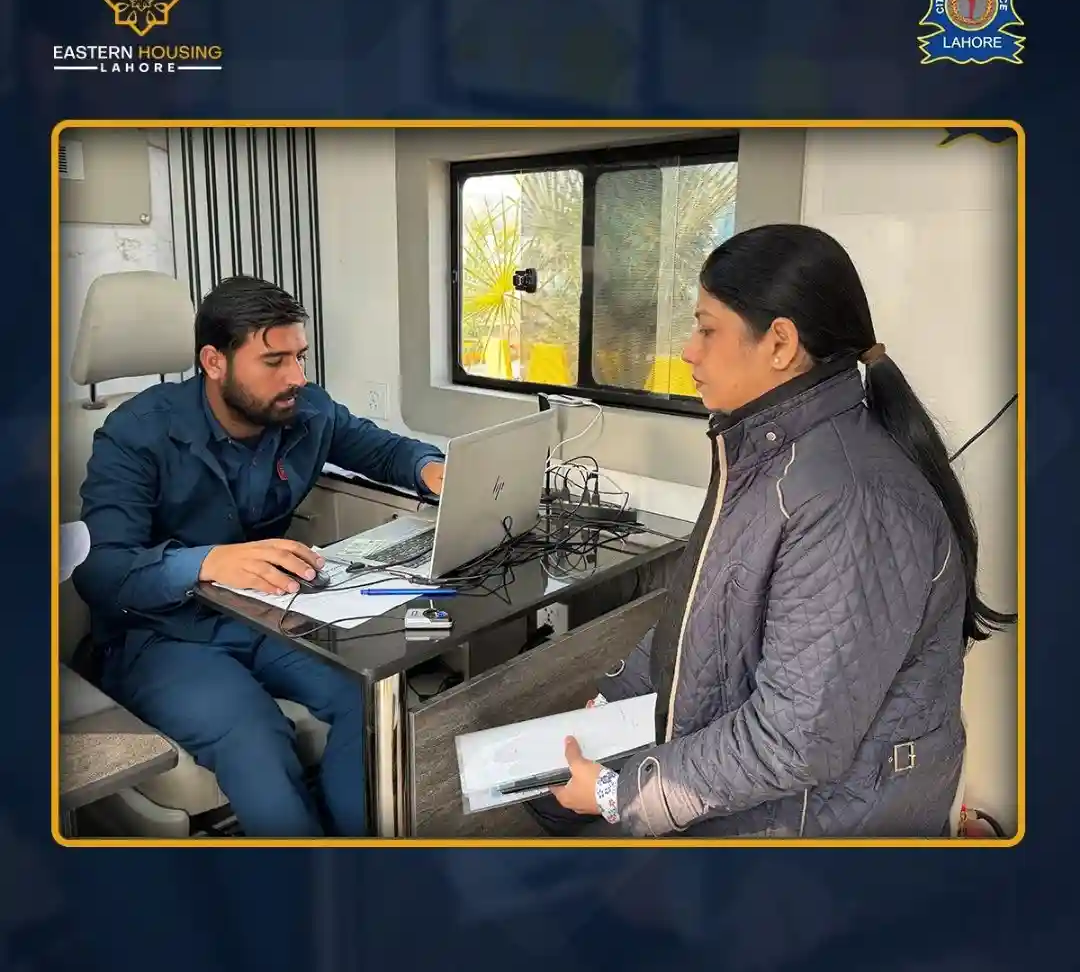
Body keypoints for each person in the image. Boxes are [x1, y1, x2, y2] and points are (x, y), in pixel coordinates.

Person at [529, 223, 1015, 838]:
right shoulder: (770, 456)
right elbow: (703, 613)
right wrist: (615, 702)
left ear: (780, 344)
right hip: (772, 799)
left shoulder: (848, 499)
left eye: (707, 329)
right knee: (541, 804)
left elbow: (793, 741)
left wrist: (614, 792)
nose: (689, 351)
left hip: (823, 832)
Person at [73, 276, 446, 837]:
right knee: (255, 735)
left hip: (266, 614)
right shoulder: (135, 433)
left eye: (299, 356)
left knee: (367, 696)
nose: (296, 377)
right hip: (159, 634)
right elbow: (101, 573)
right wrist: (205, 563)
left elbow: (386, 450)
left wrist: (430, 468)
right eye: (274, 361)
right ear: (213, 362)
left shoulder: (307, 410)